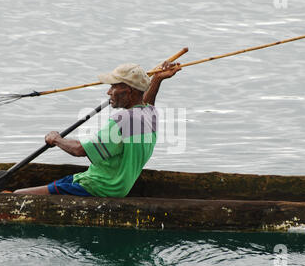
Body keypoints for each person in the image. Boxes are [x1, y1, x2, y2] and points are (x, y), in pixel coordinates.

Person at [13, 61, 181, 197]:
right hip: (111, 183)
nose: (109, 92)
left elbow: (80, 150)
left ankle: (13, 196)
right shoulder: (149, 114)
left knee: (18, 195)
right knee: (62, 182)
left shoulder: (123, 121)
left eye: (113, 87)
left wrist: (56, 139)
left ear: (128, 92)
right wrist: (158, 79)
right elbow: (147, 100)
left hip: (101, 186)